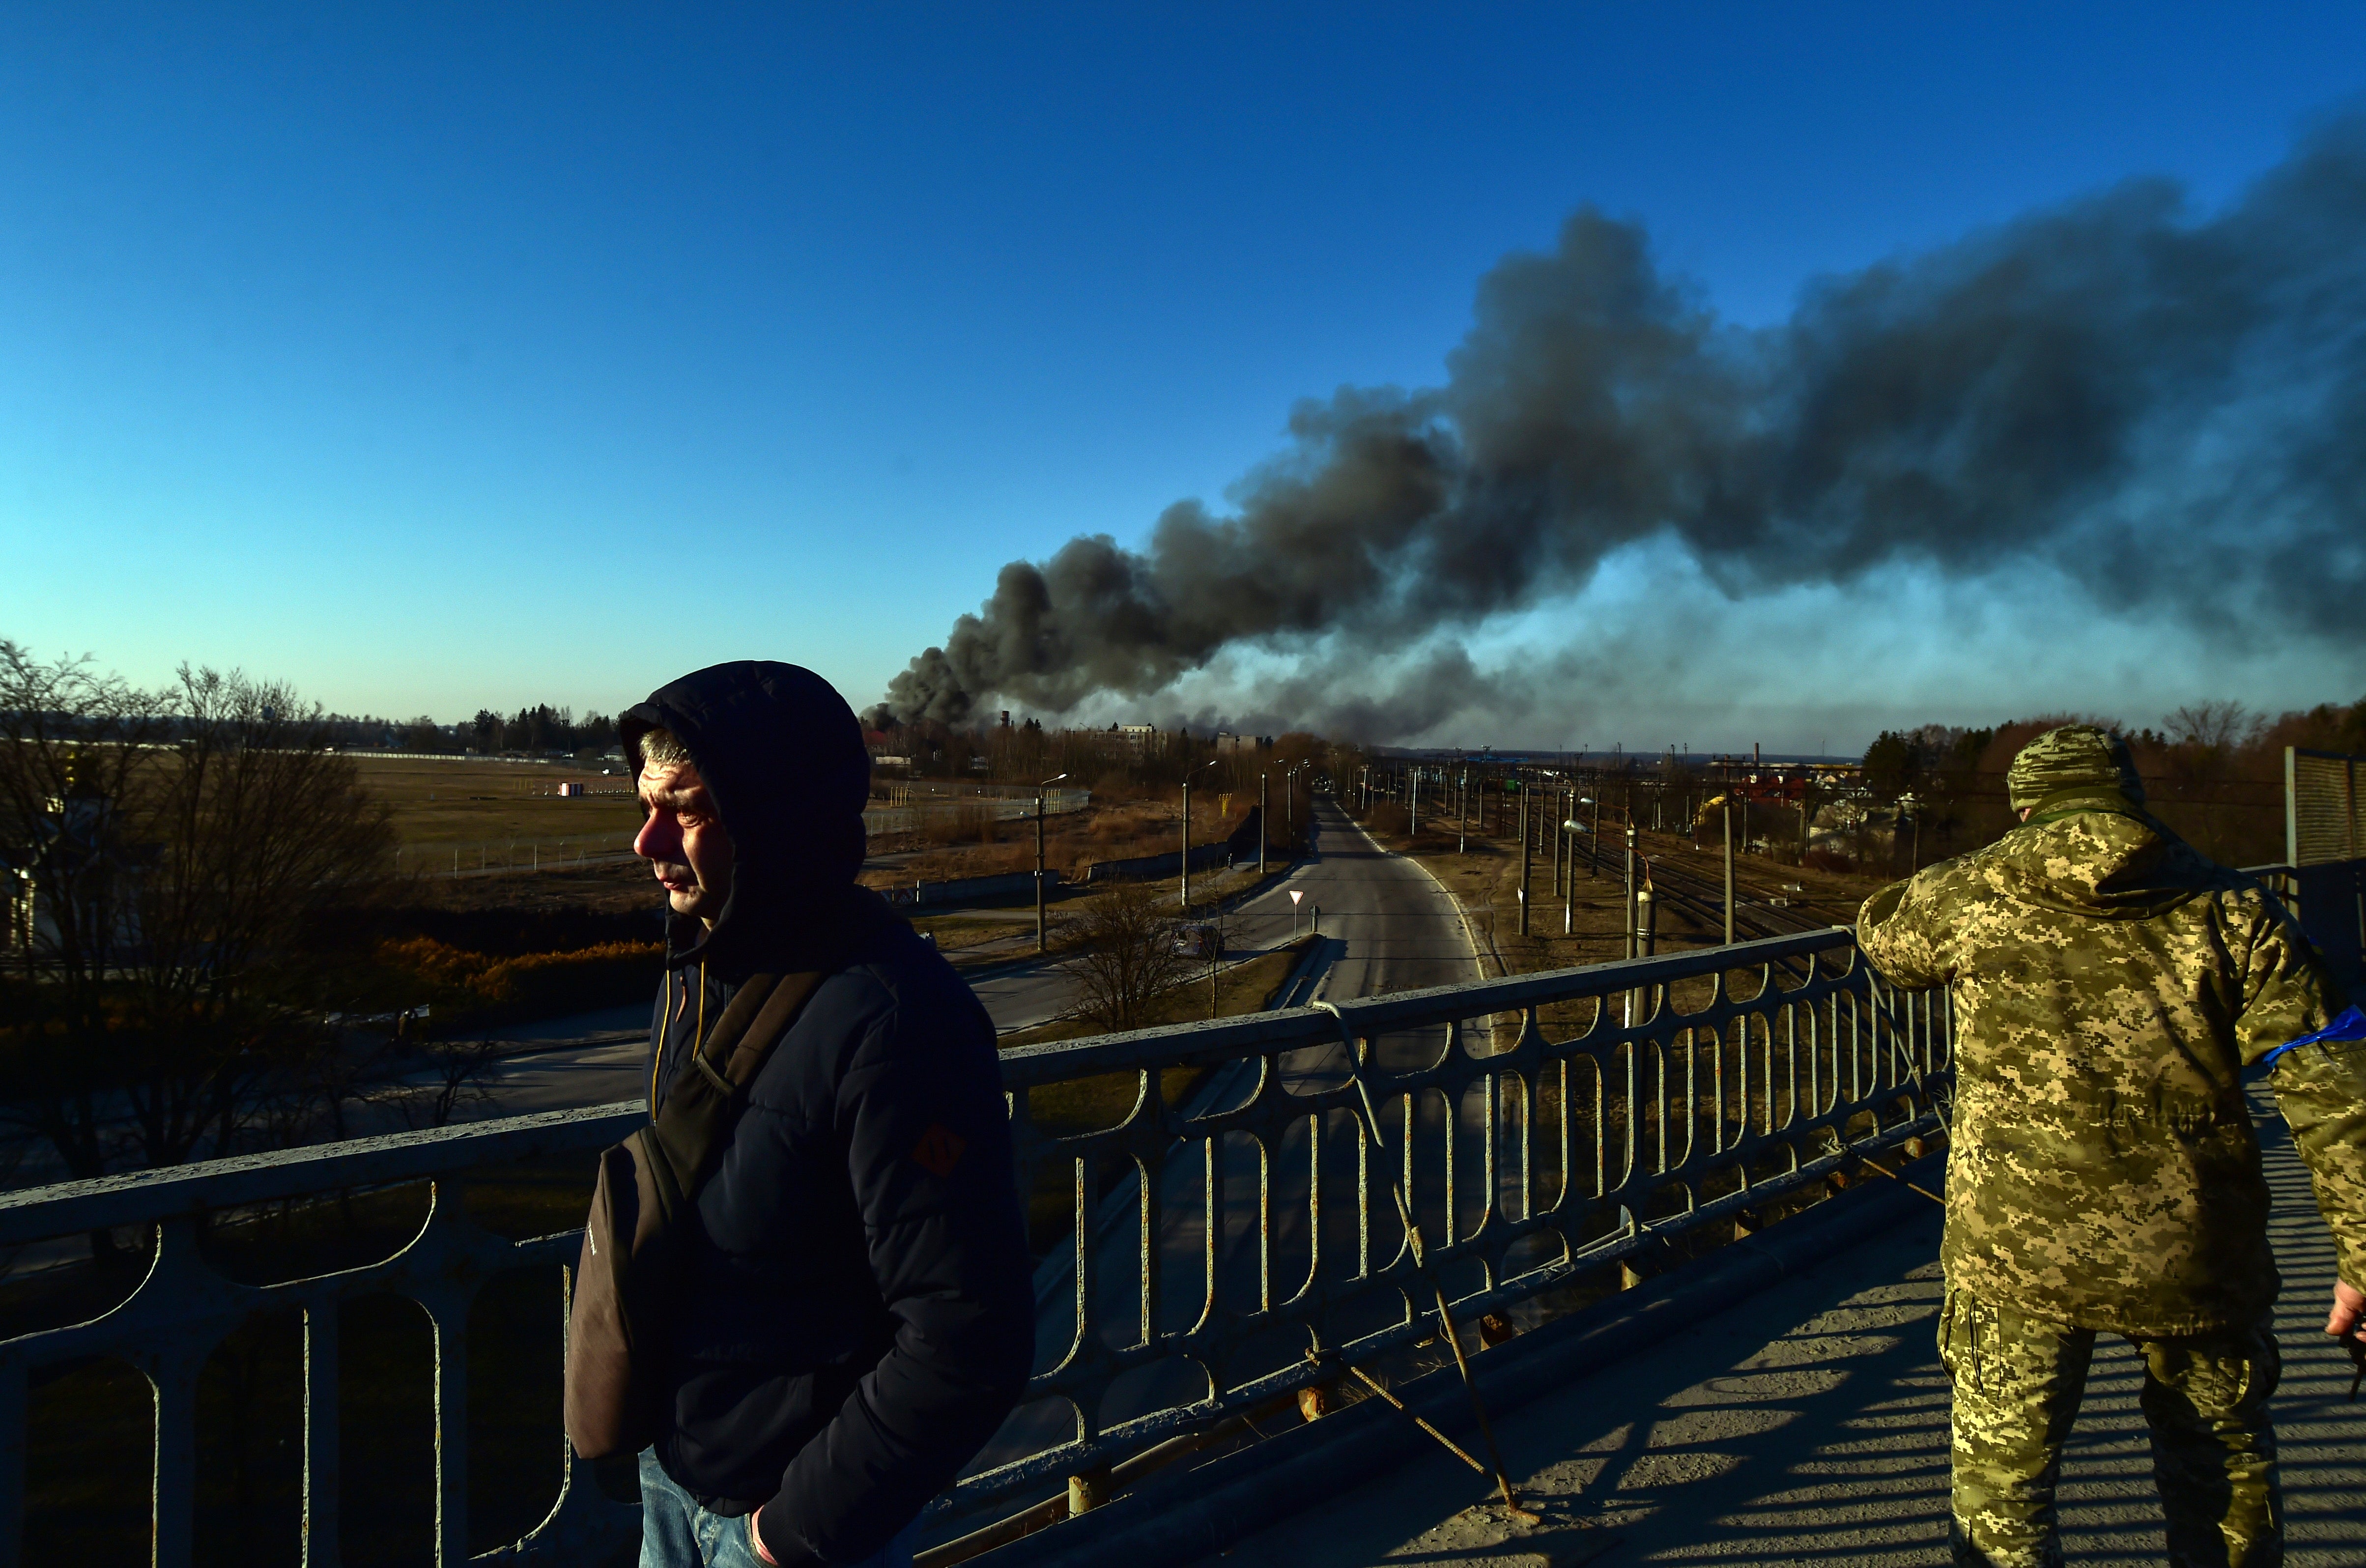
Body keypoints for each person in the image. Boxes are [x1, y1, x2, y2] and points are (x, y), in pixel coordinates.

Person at [1857, 723, 2366, 1568]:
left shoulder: (1974, 895)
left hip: (2017, 1254)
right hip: (2197, 1250)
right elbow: (2335, 1090)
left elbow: (1884, 935)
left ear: (2026, 807)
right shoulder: (2237, 909)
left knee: (2004, 1499)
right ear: (2132, 797)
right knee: (2222, 1475)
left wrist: (1983, 867)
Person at [619, 661, 1034, 1568]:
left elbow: (970, 1335)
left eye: (685, 810)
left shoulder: (897, 1020)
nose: (647, 841)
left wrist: (793, 1532)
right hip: (675, 1476)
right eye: (645, 804)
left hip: (783, 1521)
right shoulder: (701, 970)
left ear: (781, 822)